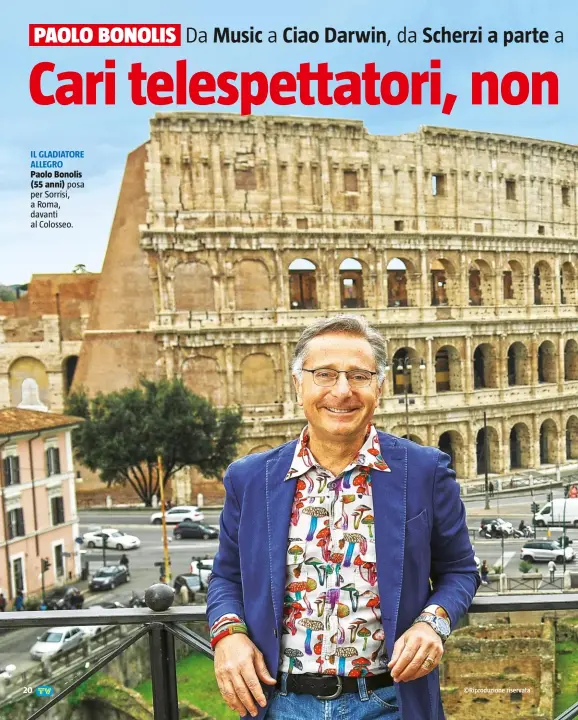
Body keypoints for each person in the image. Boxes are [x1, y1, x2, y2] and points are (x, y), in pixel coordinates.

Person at [207, 315, 480, 720]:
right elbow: (226, 577)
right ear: (298, 383)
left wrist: (431, 624)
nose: (342, 391)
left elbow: (460, 570)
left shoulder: (425, 471)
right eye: (325, 374)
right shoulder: (250, 478)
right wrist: (228, 634)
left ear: (379, 387)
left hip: (389, 700)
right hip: (279, 702)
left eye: (359, 376)